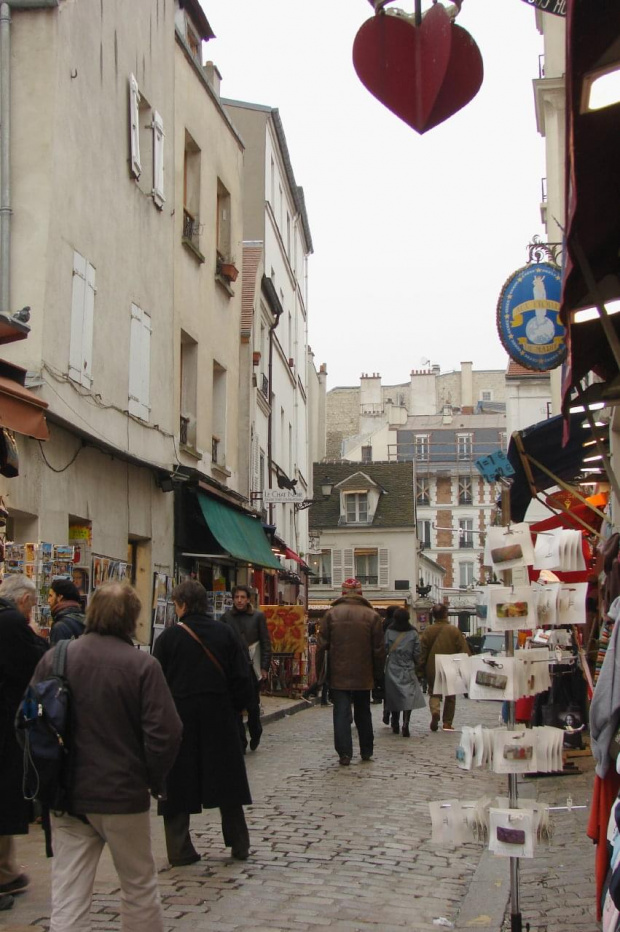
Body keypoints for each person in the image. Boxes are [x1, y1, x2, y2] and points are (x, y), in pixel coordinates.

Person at [28, 581, 182, 932]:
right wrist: (152, 778)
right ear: (131, 619)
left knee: (69, 891)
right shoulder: (142, 666)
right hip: (122, 794)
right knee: (138, 886)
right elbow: (167, 732)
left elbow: (30, 721)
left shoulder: (56, 658)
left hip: (69, 795)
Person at [153, 580, 255, 864]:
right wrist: (235, 709)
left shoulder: (168, 639)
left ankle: (179, 848)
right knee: (227, 782)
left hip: (179, 718)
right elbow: (241, 677)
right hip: (219, 716)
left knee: (177, 784)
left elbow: (157, 684)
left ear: (183, 605)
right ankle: (239, 842)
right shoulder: (226, 634)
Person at [0, 575, 47, 912]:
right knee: (5, 798)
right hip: (5, 725)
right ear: (20, 601)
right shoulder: (11, 623)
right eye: (31, 605)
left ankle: (6, 869)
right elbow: (32, 665)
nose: (32, 612)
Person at [315, 577, 385, 766]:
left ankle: (344, 753)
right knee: (363, 711)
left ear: (343, 593)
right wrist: (378, 675)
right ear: (361, 594)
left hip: (339, 672)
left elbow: (321, 647)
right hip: (364, 672)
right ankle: (366, 749)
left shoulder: (331, 614)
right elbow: (379, 650)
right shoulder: (372, 616)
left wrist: (319, 675)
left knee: (341, 712)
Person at [221, 585, 272, 752]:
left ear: (248, 599)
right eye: (236, 597)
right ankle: (240, 740)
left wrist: (264, 667)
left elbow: (265, 643)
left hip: (252, 668)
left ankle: (256, 731)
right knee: (235, 706)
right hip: (234, 668)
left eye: (242, 597)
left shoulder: (258, 617)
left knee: (252, 706)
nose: (239, 600)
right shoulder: (226, 618)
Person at [419, 602, 471, 732]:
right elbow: (463, 649)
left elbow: (422, 651)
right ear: (446, 614)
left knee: (434, 692)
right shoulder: (454, 630)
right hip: (450, 664)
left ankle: (435, 711)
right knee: (450, 695)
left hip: (433, 664)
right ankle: (447, 722)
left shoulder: (428, 630)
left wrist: (420, 668)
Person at [383, 608, 426, 737]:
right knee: (409, 695)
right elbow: (417, 652)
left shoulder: (389, 631)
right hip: (408, 667)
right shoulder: (413, 633)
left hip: (393, 666)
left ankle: (395, 722)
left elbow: (385, 648)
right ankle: (406, 723)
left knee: (394, 694)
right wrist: (418, 666)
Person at [47, 577, 86, 643]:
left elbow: (57, 652)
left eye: (51, 596)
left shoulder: (60, 627)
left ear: (60, 597)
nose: (48, 600)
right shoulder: (85, 620)